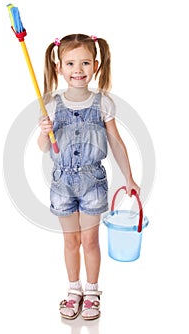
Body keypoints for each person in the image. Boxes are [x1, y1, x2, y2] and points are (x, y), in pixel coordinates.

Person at [38, 34, 140, 320]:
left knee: (90, 240)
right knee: (71, 241)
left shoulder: (102, 103)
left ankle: (92, 292)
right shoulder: (52, 104)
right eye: (70, 63)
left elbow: (117, 143)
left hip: (93, 182)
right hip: (62, 184)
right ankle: (74, 290)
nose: (78, 69)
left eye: (84, 62)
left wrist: (129, 178)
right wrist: (44, 130)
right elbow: (44, 147)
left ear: (95, 65)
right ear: (59, 67)